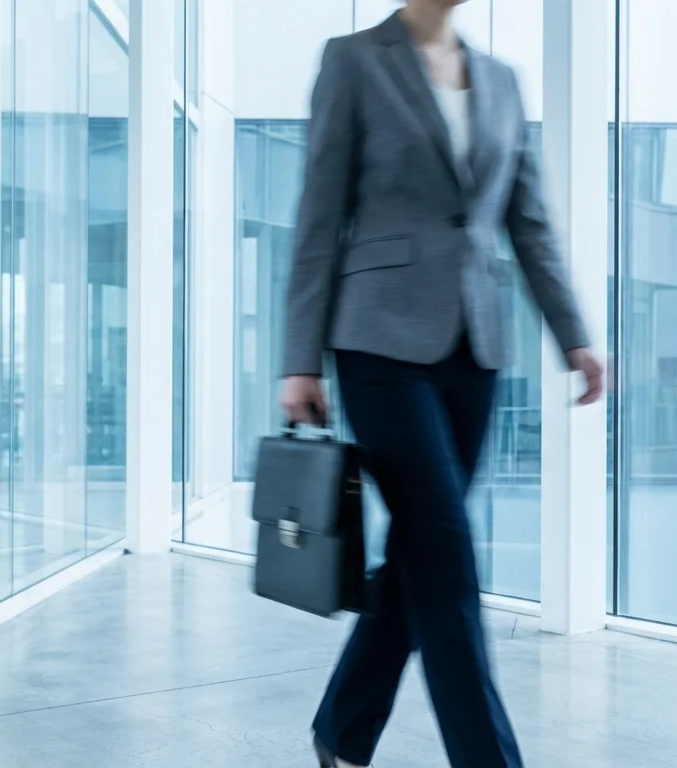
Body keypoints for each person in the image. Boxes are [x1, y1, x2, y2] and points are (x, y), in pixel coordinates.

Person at [279, 1, 604, 766]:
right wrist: (300, 358)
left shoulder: (501, 80)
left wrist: (576, 336)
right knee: (449, 550)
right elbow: (318, 218)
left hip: (473, 347)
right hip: (376, 341)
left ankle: (341, 728)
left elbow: (528, 223)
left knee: (423, 550)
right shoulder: (355, 59)